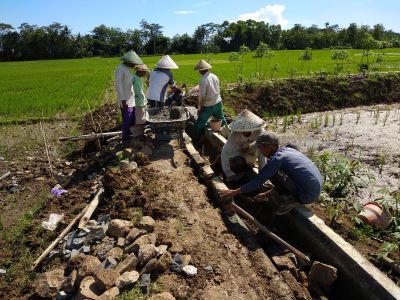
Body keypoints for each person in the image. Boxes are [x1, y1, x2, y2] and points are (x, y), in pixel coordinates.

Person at [219, 132, 323, 215]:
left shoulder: (276, 160)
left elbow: (258, 181)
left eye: (260, 148)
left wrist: (234, 192)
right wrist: (266, 193)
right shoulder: (287, 150)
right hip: (315, 188)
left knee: (272, 174)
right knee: (274, 173)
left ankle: (290, 200)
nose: (259, 150)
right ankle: (284, 194)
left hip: (307, 195)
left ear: (269, 147)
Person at [220, 109, 267, 184]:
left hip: (252, 153)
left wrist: (262, 175)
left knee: (246, 163)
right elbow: (225, 151)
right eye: (243, 130)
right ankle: (238, 173)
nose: (244, 131)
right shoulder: (235, 134)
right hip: (239, 153)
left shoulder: (260, 132)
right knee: (234, 162)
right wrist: (228, 173)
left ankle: (245, 170)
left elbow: (262, 154)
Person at [115, 50, 143, 144]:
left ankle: (131, 138)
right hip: (125, 100)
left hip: (131, 100)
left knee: (131, 120)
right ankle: (125, 140)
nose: (134, 66)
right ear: (129, 62)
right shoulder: (120, 68)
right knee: (126, 121)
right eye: (133, 63)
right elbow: (118, 85)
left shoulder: (127, 69)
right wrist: (123, 100)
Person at [193, 59, 227, 138]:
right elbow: (218, 89)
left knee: (200, 122)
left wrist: (200, 107)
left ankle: (195, 139)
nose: (199, 72)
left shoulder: (203, 80)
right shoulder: (214, 76)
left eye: (199, 70)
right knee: (221, 119)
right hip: (218, 102)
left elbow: (202, 96)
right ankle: (228, 134)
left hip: (209, 105)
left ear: (202, 70)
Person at [132, 64, 149, 137]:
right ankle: (138, 135)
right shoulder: (134, 78)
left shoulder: (138, 78)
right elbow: (136, 90)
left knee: (142, 118)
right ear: (140, 72)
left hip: (141, 100)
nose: (145, 74)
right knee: (140, 120)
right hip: (139, 102)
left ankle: (140, 134)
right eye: (144, 72)